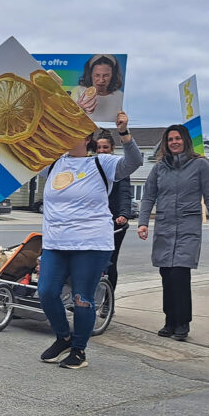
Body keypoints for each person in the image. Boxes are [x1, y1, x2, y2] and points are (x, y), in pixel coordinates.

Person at [39, 112, 142, 369]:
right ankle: (63, 337)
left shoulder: (102, 162)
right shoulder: (52, 164)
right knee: (46, 292)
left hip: (91, 242)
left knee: (81, 297)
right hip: (56, 241)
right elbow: (23, 151)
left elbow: (134, 162)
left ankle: (79, 351)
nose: (65, 137)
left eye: (72, 132)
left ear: (86, 139)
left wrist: (124, 133)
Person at [137, 124, 209, 342]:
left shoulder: (200, 165)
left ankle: (183, 323)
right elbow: (148, 196)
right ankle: (169, 320)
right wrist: (143, 222)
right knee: (166, 274)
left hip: (187, 227)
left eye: (178, 138)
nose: (174, 142)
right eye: (170, 139)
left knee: (180, 275)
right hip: (164, 226)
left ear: (185, 140)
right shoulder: (159, 167)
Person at [97, 133, 134, 294]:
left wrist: (124, 214)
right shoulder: (91, 166)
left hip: (114, 222)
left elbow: (125, 193)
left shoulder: (119, 167)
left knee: (110, 261)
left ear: (112, 149)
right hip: (94, 222)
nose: (102, 150)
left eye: (105, 147)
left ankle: (107, 301)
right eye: (98, 148)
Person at [73, 54, 124, 125]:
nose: (101, 80)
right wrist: (77, 110)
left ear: (113, 75)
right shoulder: (77, 91)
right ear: (90, 74)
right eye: (97, 75)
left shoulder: (120, 96)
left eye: (106, 75)